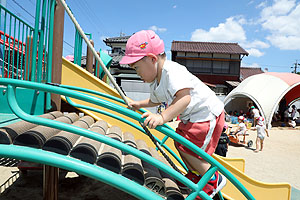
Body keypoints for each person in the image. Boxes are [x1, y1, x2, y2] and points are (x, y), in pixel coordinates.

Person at [120, 30, 226, 199]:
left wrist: (161, 117)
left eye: (137, 68)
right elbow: (155, 101)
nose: (137, 74)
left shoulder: (172, 71)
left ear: (152, 59)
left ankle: (212, 179)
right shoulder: (156, 81)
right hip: (192, 117)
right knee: (180, 144)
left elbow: (184, 98)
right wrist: (137, 104)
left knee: (191, 150)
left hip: (206, 115)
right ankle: (196, 175)